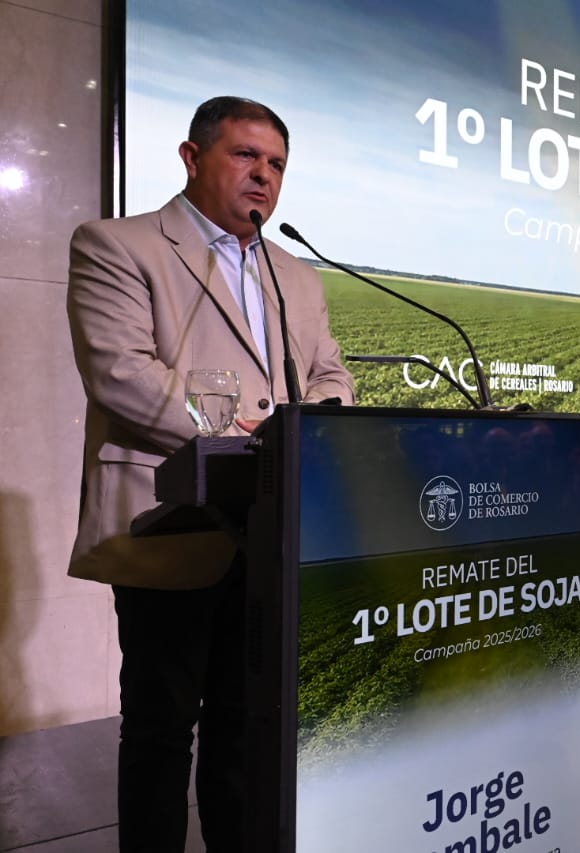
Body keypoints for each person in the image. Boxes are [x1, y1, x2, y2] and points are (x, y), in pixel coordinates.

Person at [66, 96, 355, 852]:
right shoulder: (118, 244)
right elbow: (123, 374)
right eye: (245, 155)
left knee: (245, 721)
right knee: (161, 728)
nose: (264, 175)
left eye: (277, 164)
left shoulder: (296, 275)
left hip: (269, 534)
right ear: (192, 158)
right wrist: (254, 439)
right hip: (173, 520)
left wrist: (309, 425)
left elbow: (330, 375)